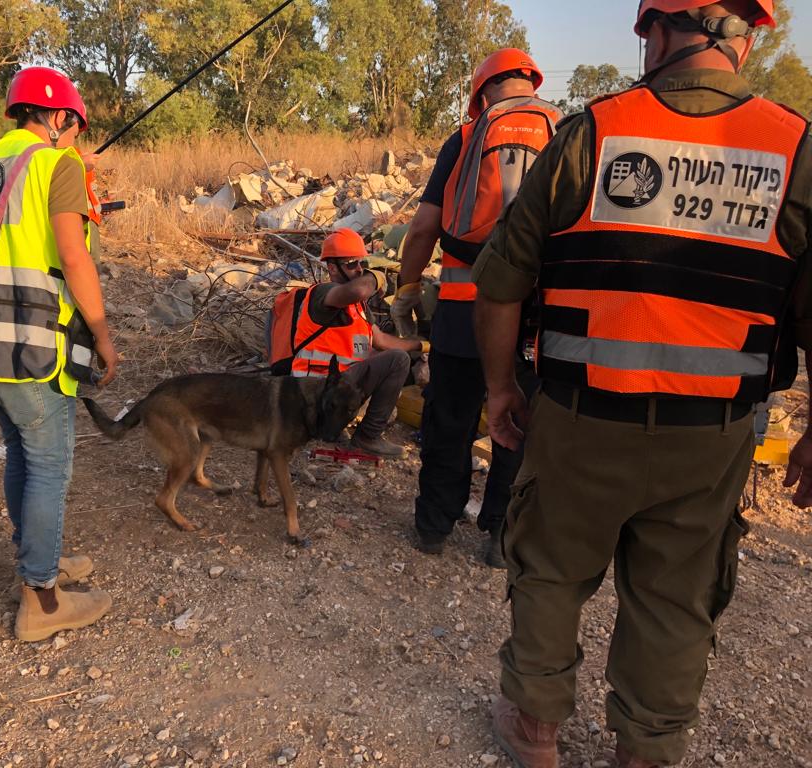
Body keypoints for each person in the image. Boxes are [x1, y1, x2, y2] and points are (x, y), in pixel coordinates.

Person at [470, 2, 812, 765]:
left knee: (552, 568)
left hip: (581, 417)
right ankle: (646, 751)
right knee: (675, 597)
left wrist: (499, 391)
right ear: (747, 37)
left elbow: (500, 283)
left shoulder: (592, 133)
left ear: (656, 33)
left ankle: (535, 728)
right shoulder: (796, 147)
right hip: (712, 435)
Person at [0, 67, 119, 642]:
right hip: (37, 347)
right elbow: (72, 253)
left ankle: (39, 556)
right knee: (48, 462)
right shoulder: (56, 164)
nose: (75, 139)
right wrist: (103, 333)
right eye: (75, 127)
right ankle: (41, 599)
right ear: (59, 117)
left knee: (22, 450)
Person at [391, 49, 561, 562]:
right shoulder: (567, 132)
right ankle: (502, 537)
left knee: (450, 420)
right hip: (535, 316)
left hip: (464, 311)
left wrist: (407, 289)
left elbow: (424, 226)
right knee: (520, 425)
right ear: (531, 85)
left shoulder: (467, 137)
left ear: (481, 92)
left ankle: (433, 529)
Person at [292, 228, 427, 457]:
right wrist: (377, 276)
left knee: (394, 357)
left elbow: (381, 340)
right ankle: (368, 437)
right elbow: (361, 289)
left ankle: (342, 427)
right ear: (332, 268)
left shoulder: (356, 307)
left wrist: (421, 345)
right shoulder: (324, 293)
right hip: (313, 393)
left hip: (336, 390)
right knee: (398, 360)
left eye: (362, 263)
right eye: (352, 264)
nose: (359, 269)